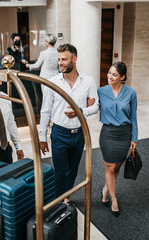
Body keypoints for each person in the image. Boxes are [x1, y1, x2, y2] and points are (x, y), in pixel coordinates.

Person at [39, 43, 99, 204]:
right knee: (59, 172)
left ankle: (66, 197)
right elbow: (45, 111)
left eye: (64, 59)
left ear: (75, 59)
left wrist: (81, 111)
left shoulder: (88, 81)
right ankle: (58, 201)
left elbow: (95, 106)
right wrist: (42, 136)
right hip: (59, 134)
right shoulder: (52, 83)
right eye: (59, 59)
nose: (61, 63)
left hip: (79, 134)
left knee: (72, 171)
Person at [98, 62, 138, 217]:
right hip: (108, 133)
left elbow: (133, 117)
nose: (110, 76)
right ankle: (113, 200)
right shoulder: (101, 91)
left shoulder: (131, 93)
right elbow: (92, 106)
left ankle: (106, 189)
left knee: (117, 168)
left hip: (124, 134)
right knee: (109, 167)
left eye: (114, 74)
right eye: (109, 73)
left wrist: (134, 137)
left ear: (122, 77)